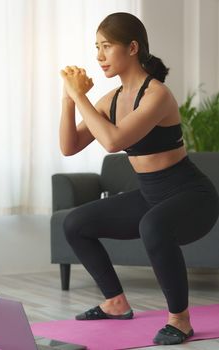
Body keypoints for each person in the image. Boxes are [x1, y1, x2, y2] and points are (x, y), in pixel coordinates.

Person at [59, 12, 219, 345]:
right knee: (75, 223)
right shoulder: (111, 100)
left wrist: (80, 97)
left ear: (132, 48)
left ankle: (181, 320)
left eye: (107, 46)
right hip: (150, 195)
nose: (99, 56)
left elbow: (114, 141)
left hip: (192, 197)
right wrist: (67, 98)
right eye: (96, 47)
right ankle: (115, 303)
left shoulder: (156, 95)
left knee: (153, 225)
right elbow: (69, 146)